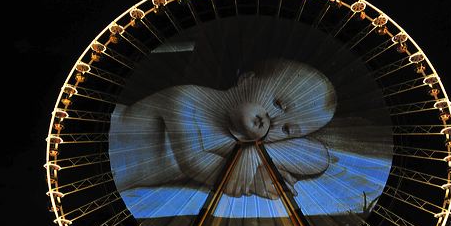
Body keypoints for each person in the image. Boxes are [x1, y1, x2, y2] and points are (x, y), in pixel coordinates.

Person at [109, 58, 336, 200]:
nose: (273, 121)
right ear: (246, 80)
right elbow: (194, 163)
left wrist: (255, 155)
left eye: (287, 130)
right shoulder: (186, 100)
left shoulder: (238, 146)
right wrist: (255, 178)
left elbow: (318, 157)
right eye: (278, 104)